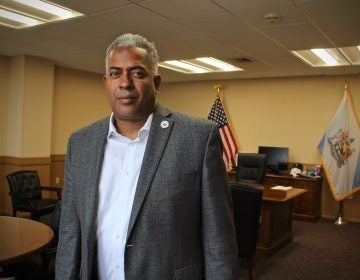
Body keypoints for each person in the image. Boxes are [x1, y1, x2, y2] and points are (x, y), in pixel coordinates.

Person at [55, 33, 239, 280]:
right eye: (115, 73)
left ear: (157, 82)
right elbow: (70, 231)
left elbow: (218, 237)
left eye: (137, 73)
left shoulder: (198, 138)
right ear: (105, 82)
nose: (125, 83)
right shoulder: (80, 143)